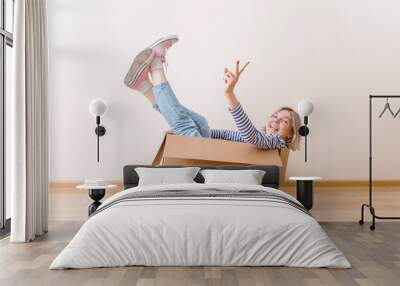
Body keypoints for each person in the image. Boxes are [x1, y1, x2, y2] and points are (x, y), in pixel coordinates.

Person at [124, 35, 301, 150]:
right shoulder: (266, 139)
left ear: (290, 135)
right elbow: (225, 135)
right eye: (276, 115)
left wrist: (230, 93)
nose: (276, 120)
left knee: (183, 122)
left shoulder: (277, 144)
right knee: (197, 121)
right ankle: (144, 86)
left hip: (204, 156)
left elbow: (252, 136)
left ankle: (156, 63)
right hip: (210, 146)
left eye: (284, 120)